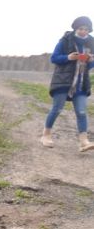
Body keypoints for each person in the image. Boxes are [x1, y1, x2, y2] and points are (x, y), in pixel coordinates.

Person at [40, 16, 94, 152]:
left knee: (81, 112)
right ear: (76, 28)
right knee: (57, 109)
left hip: (81, 82)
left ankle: (83, 141)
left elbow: (90, 66)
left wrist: (90, 60)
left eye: (86, 29)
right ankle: (46, 135)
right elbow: (54, 58)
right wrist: (69, 57)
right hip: (63, 81)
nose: (83, 31)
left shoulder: (91, 43)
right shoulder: (65, 40)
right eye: (81, 28)